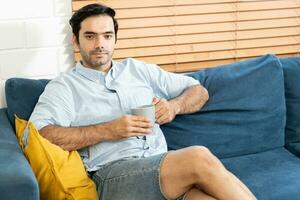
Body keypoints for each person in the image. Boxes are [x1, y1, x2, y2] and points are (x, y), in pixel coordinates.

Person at [29, 3, 257, 200]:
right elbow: (39, 134)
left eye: (107, 36)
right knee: (198, 157)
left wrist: (173, 106)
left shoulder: (137, 70)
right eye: (90, 36)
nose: (100, 43)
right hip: (111, 177)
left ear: (115, 39)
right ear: (76, 42)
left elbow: (198, 91)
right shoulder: (64, 87)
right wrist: (108, 130)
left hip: (163, 170)